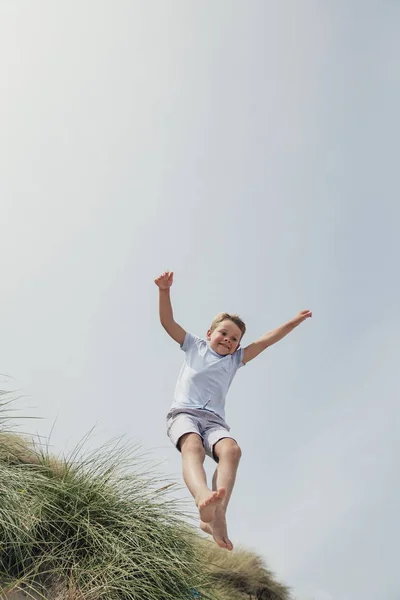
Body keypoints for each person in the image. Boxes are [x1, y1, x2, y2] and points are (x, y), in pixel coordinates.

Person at [154, 270, 312, 551]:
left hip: (214, 422)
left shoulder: (236, 360)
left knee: (232, 450)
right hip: (184, 414)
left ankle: (217, 514)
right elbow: (168, 322)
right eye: (223, 333)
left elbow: (267, 339)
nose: (228, 339)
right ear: (209, 334)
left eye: (235, 338)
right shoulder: (194, 346)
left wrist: (294, 322)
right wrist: (164, 291)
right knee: (192, 445)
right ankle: (203, 496)